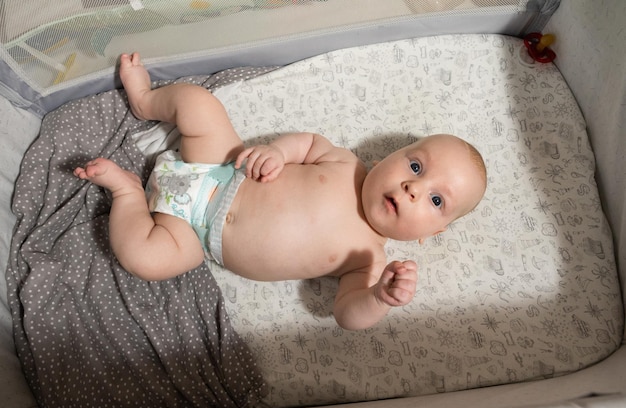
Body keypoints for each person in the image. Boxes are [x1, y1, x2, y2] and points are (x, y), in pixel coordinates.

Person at [74, 52, 487, 330]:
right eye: (415, 166)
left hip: (195, 235)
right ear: (389, 156)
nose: (414, 188)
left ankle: (126, 193)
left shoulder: (368, 260)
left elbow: (346, 314)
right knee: (199, 105)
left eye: (436, 200)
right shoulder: (346, 164)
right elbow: (306, 143)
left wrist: (379, 298)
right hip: (222, 166)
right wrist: (276, 150)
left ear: (430, 234)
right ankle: (145, 100)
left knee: (144, 258)